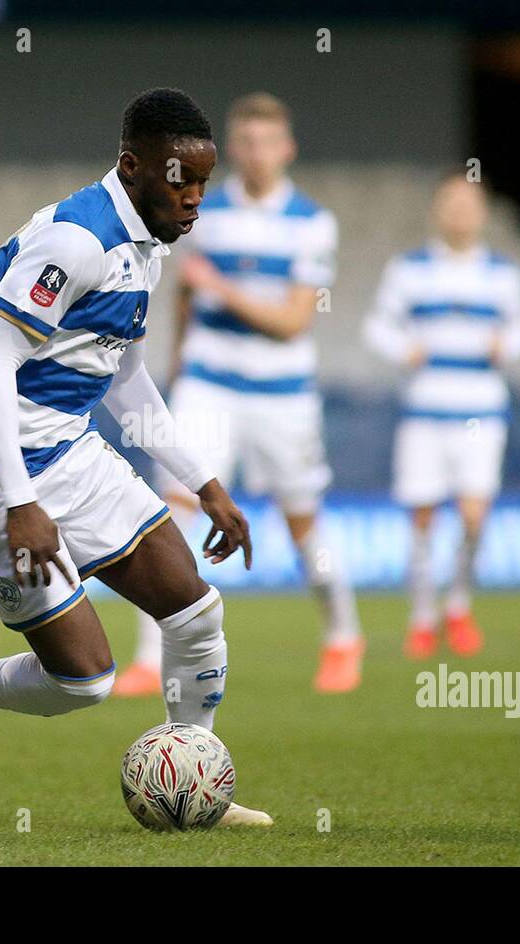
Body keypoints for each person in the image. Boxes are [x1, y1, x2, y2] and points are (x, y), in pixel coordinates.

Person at [0, 88, 270, 826]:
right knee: (85, 683)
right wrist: (21, 503)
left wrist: (203, 484)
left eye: (203, 182)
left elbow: (126, 380)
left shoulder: (147, 247)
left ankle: (191, 780)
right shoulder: (78, 242)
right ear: (133, 166)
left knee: (197, 610)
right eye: (181, 181)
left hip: (66, 449)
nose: (195, 199)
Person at [113, 92, 365, 697]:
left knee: (303, 519)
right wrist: (174, 368)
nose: (255, 153)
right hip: (209, 384)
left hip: (282, 393)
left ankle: (342, 636)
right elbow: (183, 298)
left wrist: (220, 287)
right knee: (171, 507)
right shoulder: (204, 208)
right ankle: (151, 655)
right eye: (244, 141)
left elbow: (292, 322)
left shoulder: (311, 222)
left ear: (287, 148)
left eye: (266, 141)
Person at [363, 174, 520, 659]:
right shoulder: (409, 269)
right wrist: (404, 348)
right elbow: (378, 326)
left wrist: (509, 345)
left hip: (481, 409)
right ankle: (422, 617)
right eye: (451, 204)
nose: (459, 213)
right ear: (438, 212)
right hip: (424, 410)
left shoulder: (503, 273)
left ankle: (457, 604)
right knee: (422, 517)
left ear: (482, 213)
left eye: (468, 204)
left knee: (474, 516)